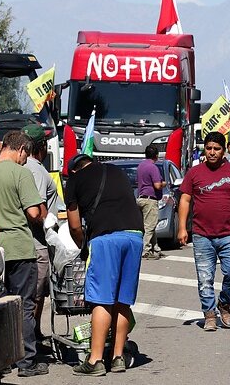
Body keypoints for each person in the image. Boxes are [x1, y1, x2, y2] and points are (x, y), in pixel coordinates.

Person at [64, 154, 144, 376]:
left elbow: (74, 225)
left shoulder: (74, 180)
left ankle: (95, 359)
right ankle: (118, 357)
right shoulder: (116, 171)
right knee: (122, 299)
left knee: (102, 299)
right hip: (134, 235)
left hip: (106, 237)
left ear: (74, 170)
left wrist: (84, 246)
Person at [0, 130, 48, 377]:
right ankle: (26, 362)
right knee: (24, 306)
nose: (25, 160)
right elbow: (34, 214)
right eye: (25, 155)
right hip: (19, 247)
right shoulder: (21, 174)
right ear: (19, 150)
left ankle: (0, 360)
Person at [177, 131, 230, 331]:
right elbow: (185, 199)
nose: (212, 152)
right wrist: (182, 228)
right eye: (209, 148)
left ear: (224, 151)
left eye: (216, 149)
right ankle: (209, 314)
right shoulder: (194, 173)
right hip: (202, 236)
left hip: (227, 235)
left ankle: (224, 304)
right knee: (205, 278)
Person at [21, 124, 59, 342]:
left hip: (36, 238)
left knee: (38, 291)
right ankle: (29, 338)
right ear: (41, 147)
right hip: (38, 239)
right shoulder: (34, 169)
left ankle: (33, 334)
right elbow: (35, 208)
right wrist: (50, 225)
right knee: (35, 292)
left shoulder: (31, 168)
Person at [136, 144, 166, 260]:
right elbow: (157, 185)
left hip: (140, 198)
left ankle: (156, 248)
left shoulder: (141, 166)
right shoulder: (153, 167)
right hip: (150, 199)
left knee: (150, 224)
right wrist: (164, 183)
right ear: (156, 156)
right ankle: (145, 250)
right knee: (150, 226)